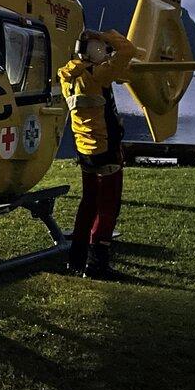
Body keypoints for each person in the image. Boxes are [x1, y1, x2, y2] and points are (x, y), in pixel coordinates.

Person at [57, 28, 138, 278]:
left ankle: (76, 259)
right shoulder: (99, 74)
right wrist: (107, 35)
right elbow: (127, 50)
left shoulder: (67, 76)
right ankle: (98, 264)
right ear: (96, 51)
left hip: (84, 149)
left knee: (88, 203)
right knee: (108, 207)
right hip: (105, 149)